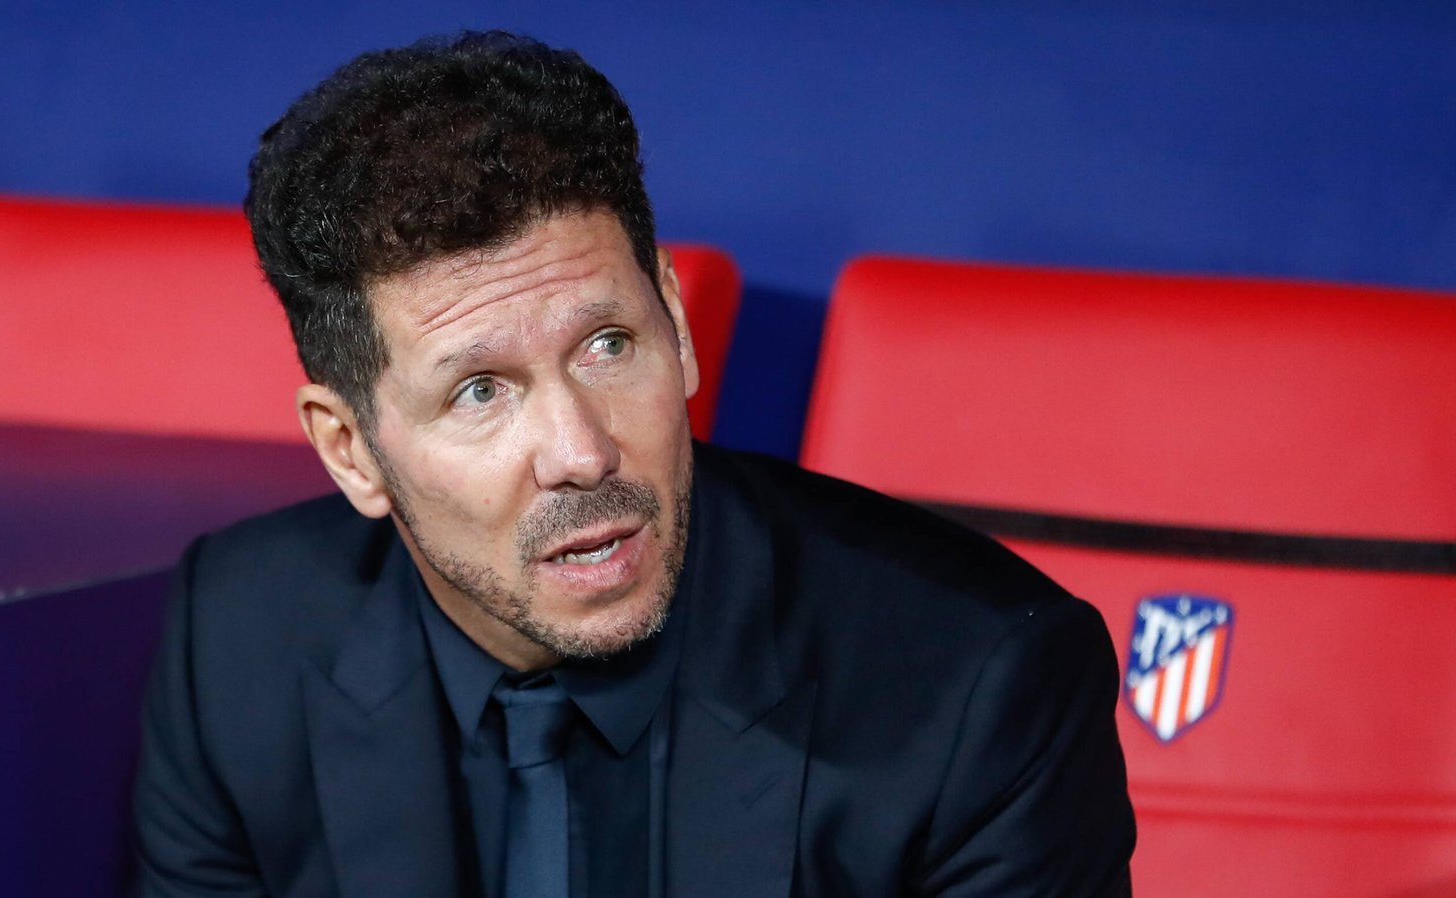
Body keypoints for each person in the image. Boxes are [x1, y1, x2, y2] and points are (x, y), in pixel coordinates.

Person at [132, 30, 1135, 898]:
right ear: (350, 449)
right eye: (479, 391)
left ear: (678, 328)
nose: (582, 453)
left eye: (607, 344)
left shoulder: (976, 683)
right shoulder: (239, 637)